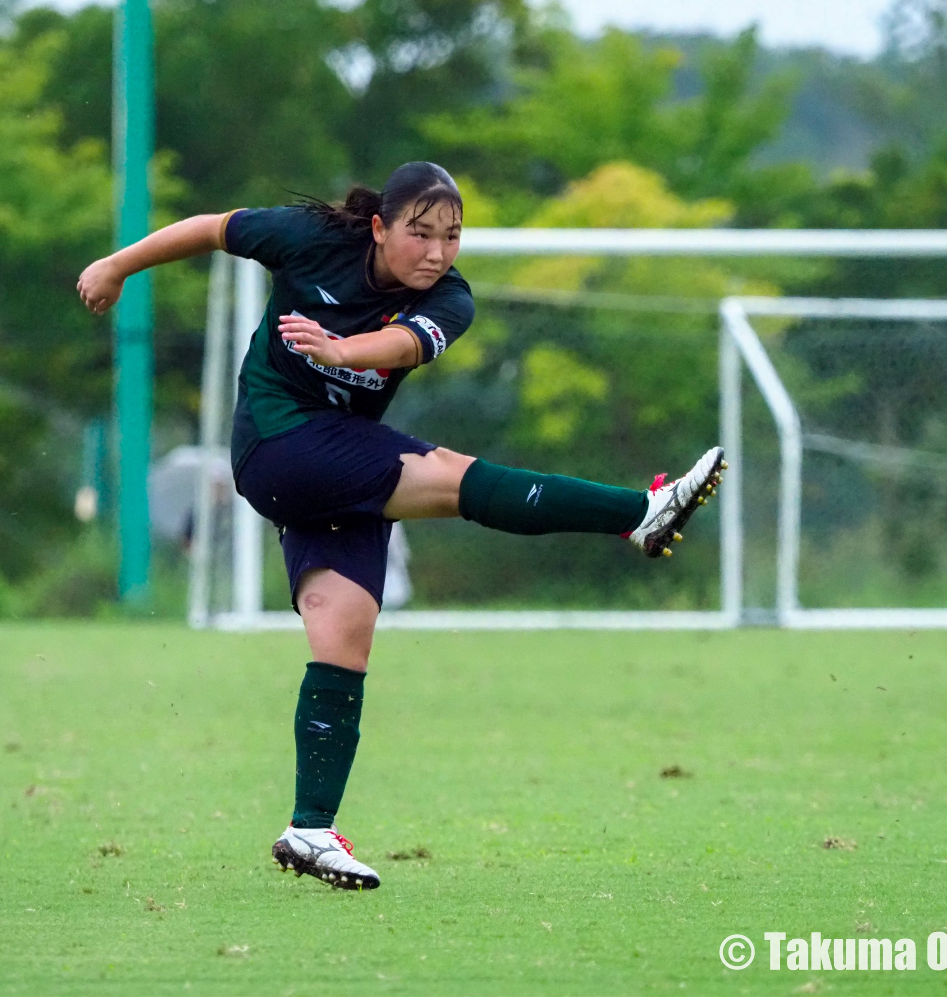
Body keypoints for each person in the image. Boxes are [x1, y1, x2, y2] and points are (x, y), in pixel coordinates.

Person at [78, 162, 725, 890]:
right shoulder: (310, 239)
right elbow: (211, 228)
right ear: (381, 228)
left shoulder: (451, 300)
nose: (436, 253)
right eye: (420, 234)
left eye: (451, 236)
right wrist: (116, 265)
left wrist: (343, 350)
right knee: (451, 476)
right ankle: (636, 515)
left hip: (332, 473)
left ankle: (310, 828)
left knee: (342, 632)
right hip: (280, 447)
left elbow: (404, 346)